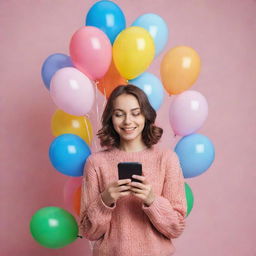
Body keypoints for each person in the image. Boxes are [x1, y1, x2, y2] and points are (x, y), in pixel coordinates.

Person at [78, 84, 187, 256]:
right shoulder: (95, 163)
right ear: (110, 118)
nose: (128, 121)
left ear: (146, 116)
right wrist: (105, 200)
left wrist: (152, 200)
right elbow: (88, 231)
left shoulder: (167, 160)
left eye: (136, 113)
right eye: (119, 114)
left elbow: (176, 228)